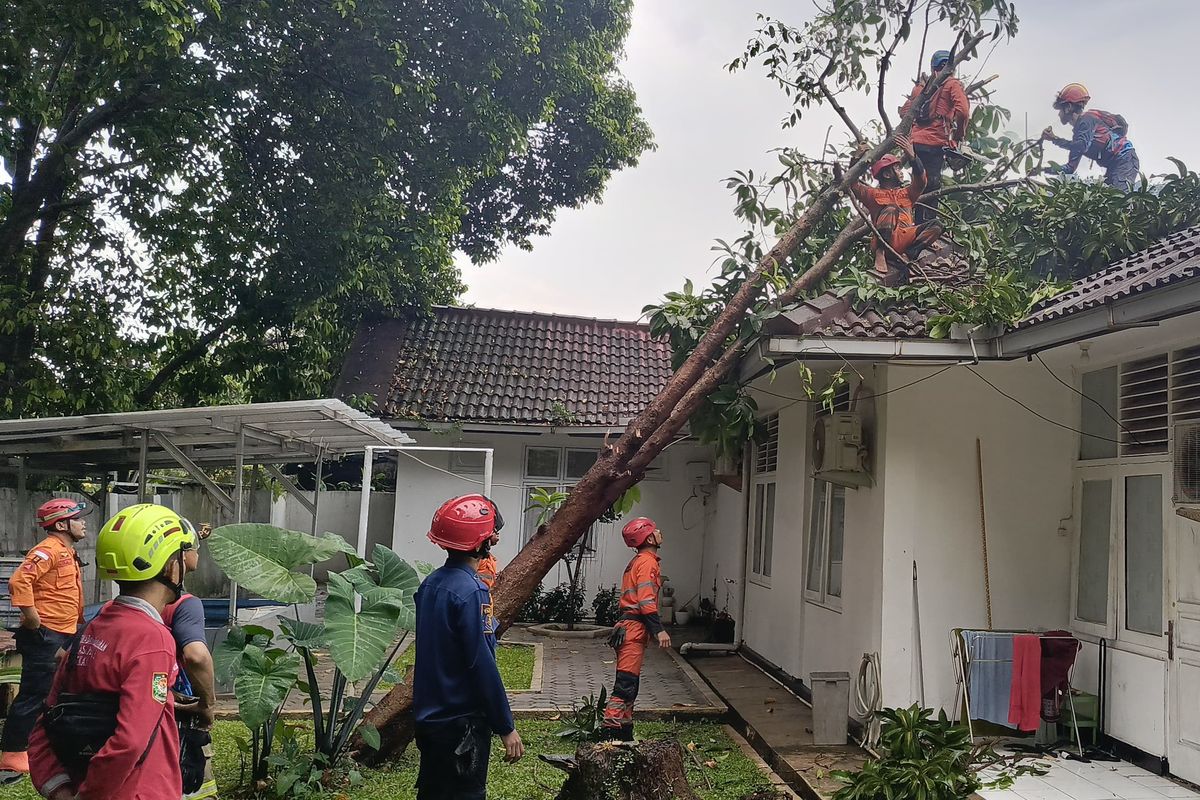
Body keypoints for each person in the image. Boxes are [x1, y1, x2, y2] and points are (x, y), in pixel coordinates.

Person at [27, 503, 198, 800]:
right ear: (172, 566)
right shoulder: (152, 640)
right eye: (183, 555)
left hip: (81, 785)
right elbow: (132, 741)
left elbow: (44, 722)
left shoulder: (93, 629)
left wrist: (60, 788)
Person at [413, 494, 523, 799]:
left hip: (429, 720)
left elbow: (447, 637)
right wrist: (506, 726)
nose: (495, 537)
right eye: (491, 533)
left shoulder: (431, 584)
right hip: (461, 724)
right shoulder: (473, 591)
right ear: (481, 542)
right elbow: (481, 664)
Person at [0, 499, 90, 782]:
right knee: (34, 693)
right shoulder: (48, 550)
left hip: (64, 632)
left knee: (58, 692)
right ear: (62, 524)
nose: (83, 522)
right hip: (46, 634)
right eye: (78, 518)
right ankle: (12, 756)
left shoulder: (66, 550)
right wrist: (33, 617)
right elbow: (18, 581)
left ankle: (46, 747)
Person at [601, 516, 671, 742]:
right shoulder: (647, 563)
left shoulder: (639, 561)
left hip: (629, 628)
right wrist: (659, 630)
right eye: (655, 529)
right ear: (649, 537)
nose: (660, 532)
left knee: (632, 684)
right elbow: (646, 601)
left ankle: (625, 734)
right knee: (625, 685)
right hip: (633, 629)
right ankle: (609, 737)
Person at [162, 522, 218, 800]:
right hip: (181, 701)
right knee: (192, 776)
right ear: (179, 558)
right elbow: (195, 656)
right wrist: (207, 703)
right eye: (193, 546)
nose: (198, 550)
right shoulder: (186, 605)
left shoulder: (112, 611)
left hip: (147, 705)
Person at [847, 134, 944, 286]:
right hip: (887, 240)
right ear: (886, 174)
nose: (900, 171)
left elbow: (921, 181)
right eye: (896, 168)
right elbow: (852, 184)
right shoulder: (873, 195)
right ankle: (881, 252)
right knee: (891, 209)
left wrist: (912, 156)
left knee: (936, 225)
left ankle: (908, 255)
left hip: (906, 238)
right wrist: (857, 158)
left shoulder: (906, 193)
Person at [900, 49, 970, 223]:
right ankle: (926, 228)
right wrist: (958, 136)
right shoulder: (952, 84)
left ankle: (913, 223)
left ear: (933, 68)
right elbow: (963, 112)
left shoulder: (920, 88)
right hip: (935, 143)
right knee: (931, 185)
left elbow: (905, 112)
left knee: (918, 183)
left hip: (915, 144)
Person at [1041, 83, 1139, 191]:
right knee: (1106, 199)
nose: (1059, 114)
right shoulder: (1080, 135)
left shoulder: (1087, 120)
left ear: (1068, 107)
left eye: (1060, 110)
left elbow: (1080, 146)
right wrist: (1043, 170)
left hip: (1124, 158)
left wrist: (1054, 139)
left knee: (1119, 199)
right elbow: (1069, 168)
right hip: (1115, 164)